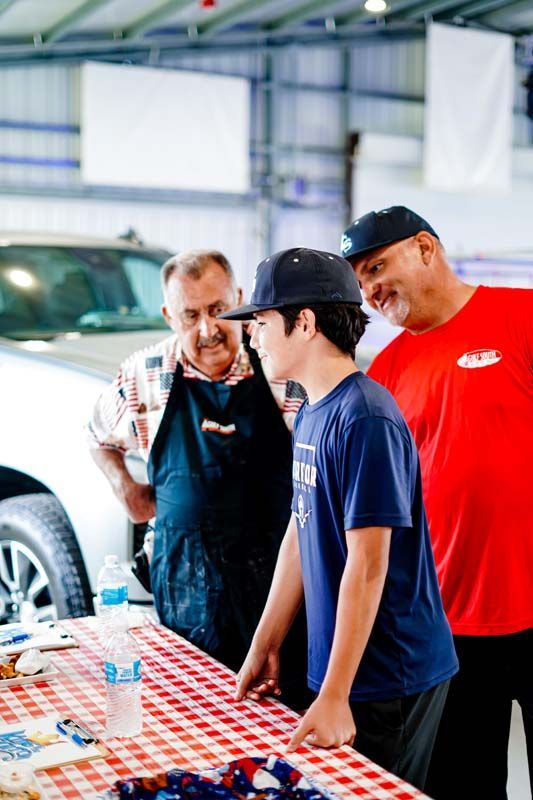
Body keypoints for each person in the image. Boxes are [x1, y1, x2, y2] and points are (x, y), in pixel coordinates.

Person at [220, 247, 458, 791]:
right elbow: (299, 531)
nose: (253, 337)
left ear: (304, 323)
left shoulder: (365, 419)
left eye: (262, 322)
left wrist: (335, 694)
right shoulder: (311, 409)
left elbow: (368, 566)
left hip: (388, 673)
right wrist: (266, 642)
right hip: (343, 668)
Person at [342, 206, 533, 800]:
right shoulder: (387, 372)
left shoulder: (521, 317)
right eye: (361, 282)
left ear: (425, 248)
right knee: (464, 785)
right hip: (447, 627)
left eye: (377, 267)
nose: (371, 291)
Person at [88, 248, 309, 705]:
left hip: (277, 588)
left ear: (239, 299)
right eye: (191, 316)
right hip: (184, 587)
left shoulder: (282, 369)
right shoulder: (144, 375)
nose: (208, 330)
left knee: (278, 720)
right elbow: (97, 436)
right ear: (169, 316)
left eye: (218, 309)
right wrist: (124, 487)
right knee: (191, 714)